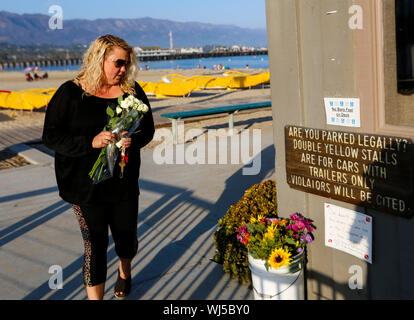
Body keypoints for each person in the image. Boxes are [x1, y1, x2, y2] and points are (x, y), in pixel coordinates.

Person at [42, 34, 154, 300]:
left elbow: (147, 129)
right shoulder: (70, 93)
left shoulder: (132, 91)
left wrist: (132, 140)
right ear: (99, 59)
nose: (123, 70)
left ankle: (125, 271)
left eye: (126, 64)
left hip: (123, 182)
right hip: (84, 187)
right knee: (95, 244)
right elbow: (51, 136)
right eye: (118, 63)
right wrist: (90, 142)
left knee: (126, 240)